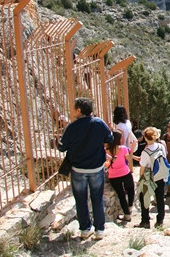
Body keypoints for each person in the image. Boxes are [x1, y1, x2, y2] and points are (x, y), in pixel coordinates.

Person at [57, 97, 113, 240]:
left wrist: (58, 139)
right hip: (96, 168)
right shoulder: (99, 123)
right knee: (97, 198)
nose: (72, 110)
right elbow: (110, 139)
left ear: (79, 110)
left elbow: (62, 147)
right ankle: (100, 229)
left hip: (78, 169)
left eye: (74, 108)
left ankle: (84, 229)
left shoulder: (72, 127)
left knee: (81, 200)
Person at [136, 126, 167, 228]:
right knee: (160, 197)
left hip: (149, 177)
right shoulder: (161, 146)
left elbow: (142, 167)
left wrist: (140, 179)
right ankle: (160, 220)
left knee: (144, 197)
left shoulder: (145, 152)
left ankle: (145, 220)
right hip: (160, 175)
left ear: (145, 138)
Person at [105, 130, 135, 222]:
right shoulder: (123, 149)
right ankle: (130, 206)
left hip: (113, 176)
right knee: (130, 189)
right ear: (119, 139)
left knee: (121, 195)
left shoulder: (106, 151)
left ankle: (127, 214)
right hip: (125, 173)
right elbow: (129, 160)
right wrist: (132, 149)